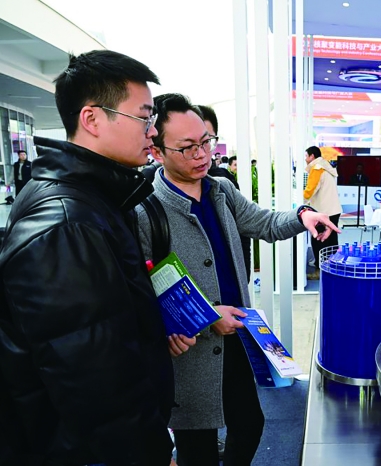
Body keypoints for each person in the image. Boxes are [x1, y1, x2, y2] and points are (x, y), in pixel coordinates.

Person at [0, 50, 183, 466]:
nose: (153, 131)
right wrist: (150, 453)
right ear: (92, 119)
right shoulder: (68, 222)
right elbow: (94, 374)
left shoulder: (91, 198)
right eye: (144, 117)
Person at [136, 93, 340, 466]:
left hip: (236, 338)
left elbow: (264, 222)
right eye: (187, 148)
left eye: (206, 142)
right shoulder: (146, 210)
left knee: (249, 423)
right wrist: (207, 317)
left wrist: (303, 216)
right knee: (197, 447)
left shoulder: (221, 190)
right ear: (157, 150)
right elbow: (143, 291)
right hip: (190, 352)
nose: (202, 154)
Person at [199, 104, 251, 282]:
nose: (200, 152)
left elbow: (248, 226)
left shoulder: (224, 184)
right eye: (191, 143)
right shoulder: (151, 196)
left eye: (207, 141)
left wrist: (243, 273)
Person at [304, 145, 341, 280]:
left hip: (324, 212)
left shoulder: (317, 169)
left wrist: (299, 199)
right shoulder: (326, 167)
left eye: (306, 156)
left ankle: (320, 271)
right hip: (333, 210)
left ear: (312, 156)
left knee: (318, 240)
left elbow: (309, 191)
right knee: (331, 241)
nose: (305, 159)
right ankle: (332, 267)